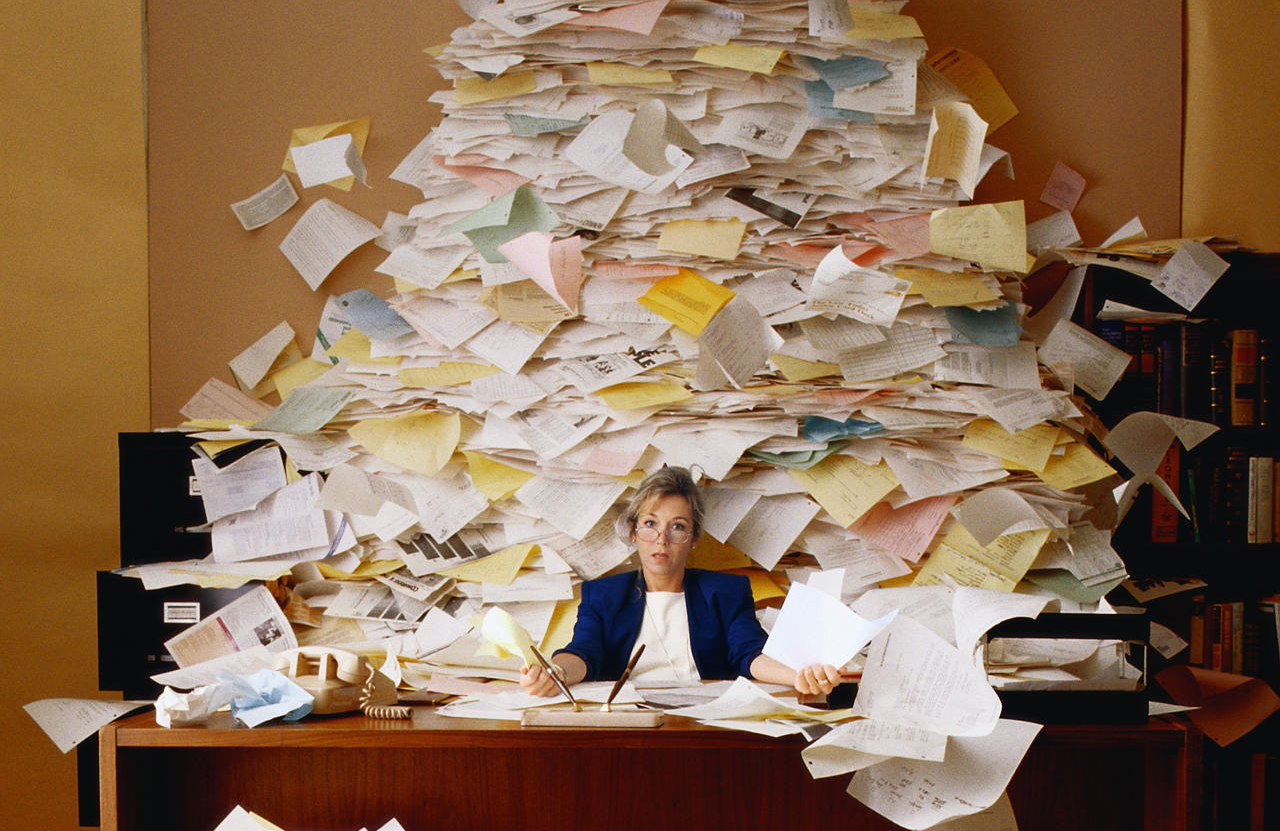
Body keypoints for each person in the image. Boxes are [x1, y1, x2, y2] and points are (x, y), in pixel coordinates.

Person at [520, 466, 842, 697]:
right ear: (634, 532)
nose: (661, 540)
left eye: (677, 527)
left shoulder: (725, 593)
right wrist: (556, 673)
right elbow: (583, 652)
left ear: (694, 538)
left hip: (703, 727)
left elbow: (751, 653)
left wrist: (799, 675)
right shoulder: (603, 595)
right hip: (631, 726)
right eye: (650, 523)